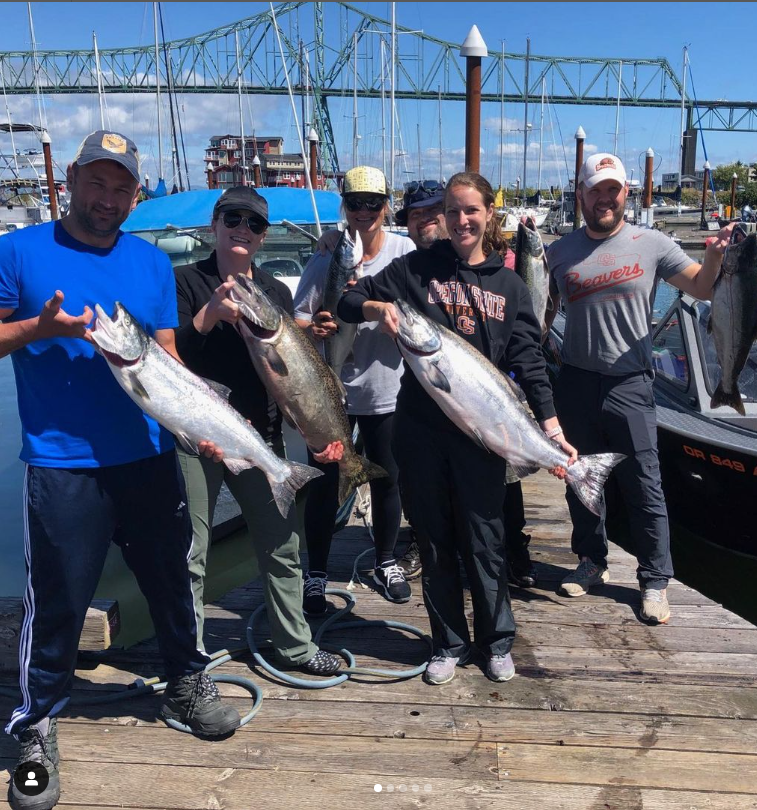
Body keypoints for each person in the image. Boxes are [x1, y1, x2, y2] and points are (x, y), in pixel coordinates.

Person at [0, 130, 240, 810]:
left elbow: (165, 357)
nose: (107, 198)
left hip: (147, 458)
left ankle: (187, 682)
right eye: (96, 183)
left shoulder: (149, 263)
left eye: (121, 187)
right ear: (71, 179)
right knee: (56, 606)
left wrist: (205, 424)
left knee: (172, 582)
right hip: (61, 466)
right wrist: (36, 330)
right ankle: (36, 729)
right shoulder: (17, 251)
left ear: (137, 195)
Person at [338, 172, 576, 685]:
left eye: (471, 210)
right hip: (420, 431)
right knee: (435, 540)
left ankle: (496, 642)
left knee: (485, 538)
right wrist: (378, 307)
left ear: (489, 214)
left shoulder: (510, 285)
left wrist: (551, 427)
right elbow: (346, 303)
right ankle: (447, 642)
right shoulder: (415, 269)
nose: (462, 220)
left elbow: (529, 360)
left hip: (484, 433)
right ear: (443, 217)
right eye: (452, 211)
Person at [546, 153, 733, 624]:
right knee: (580, 478)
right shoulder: (558, 252)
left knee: (644, 483)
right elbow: (541, 312)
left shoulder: (653, 244)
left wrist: (712, 256)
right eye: (596, 190)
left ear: (625, 193)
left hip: (630, 383)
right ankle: (591, 560)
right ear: (581, 194)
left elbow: (704, 289)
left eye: (613, 190)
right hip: (575, 380)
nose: (604, 198)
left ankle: (654, 579)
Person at [173, 186, 341, 676]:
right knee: (191, 553)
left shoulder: (276, 292)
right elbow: (167, 358)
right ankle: (191, 658)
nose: (242, 228)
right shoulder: (184, 282)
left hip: (258, 438)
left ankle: (295, 648)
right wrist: (209, 317)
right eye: (234, 217)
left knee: (282, 545)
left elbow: (289, 379)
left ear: (264, 237)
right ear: (215, 224)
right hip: (196, 438)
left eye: (255, 223)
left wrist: (314, 433)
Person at [294, 166, 415, 612]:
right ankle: (317, 573)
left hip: (387, 388)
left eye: (373, 203)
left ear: (386, 207)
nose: (363, 212)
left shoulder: (405, 251)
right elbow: (298, 319)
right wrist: (316, 328)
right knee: (325, 484)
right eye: (354, 203)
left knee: (388, 478)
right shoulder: (325, 256)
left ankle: (386, 560)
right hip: (330, 391)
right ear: (343, 206)